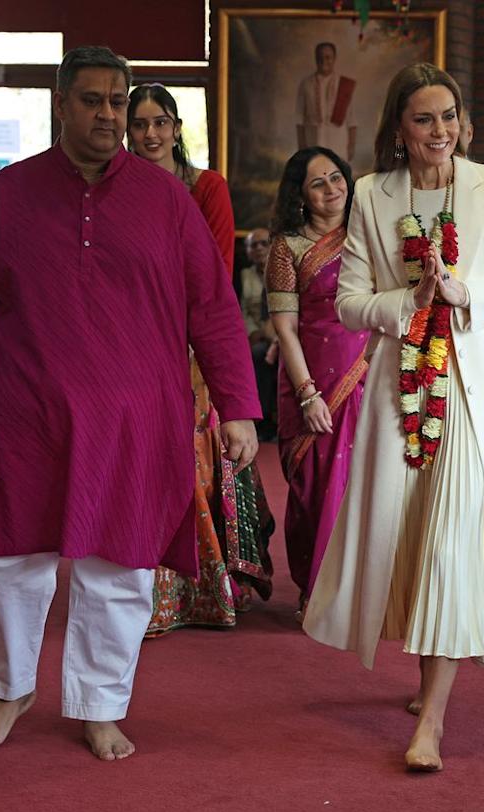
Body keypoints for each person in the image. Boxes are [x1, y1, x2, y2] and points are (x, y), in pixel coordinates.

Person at [0, 46, 259, 760]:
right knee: (3, 561)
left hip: (133, 418)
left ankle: (100, 705)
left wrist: (238, 406)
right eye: (93, 100)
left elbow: (213, 308)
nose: (108, 114)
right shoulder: (9, 192)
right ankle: (11, 690)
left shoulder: (166, 201)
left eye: (118, 101)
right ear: (60, 104)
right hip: (19, 411)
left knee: (118, 566)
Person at [301, 63, 484, 771]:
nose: (440, 132)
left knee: (450, 548)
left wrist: (463, 293)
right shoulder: (373, 196)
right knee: (403, 539)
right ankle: (424, 681)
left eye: (449, 118)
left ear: (464, 124)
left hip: (467, 394)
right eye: (423, 120)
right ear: (399, 132)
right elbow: (348, 303)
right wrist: (407, 302)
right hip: (395, 391)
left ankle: (431, 721)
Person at [127, 83, 274, 636]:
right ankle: (147, 588)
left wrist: (189, 337)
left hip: (190, 339)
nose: (149, 134)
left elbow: (212, 268)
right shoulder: (117, 186)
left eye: (159, 122)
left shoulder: (205, 186)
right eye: (139, 124)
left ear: (176, 127)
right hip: (133, 339)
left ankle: (207, 585)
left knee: (198, 456)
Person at [267, 146, 368, 611]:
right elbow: (285, 328)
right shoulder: (288, 247)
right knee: (316, 486)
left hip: (366, 373)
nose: (333, 188)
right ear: (301, 197)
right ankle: (321, 594)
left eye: (336, 177)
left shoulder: (368, 235)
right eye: (318, 183)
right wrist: (308, 394)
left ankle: (360, 592)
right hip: (311, 382)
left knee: (363, 483)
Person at [240, 227, 279, 441]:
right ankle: (260, 420)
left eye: (264, 242)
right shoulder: (243, 276)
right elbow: (241, 309)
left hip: (282, 334)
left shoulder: (281, 271)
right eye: (253, 245)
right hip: (255, 334)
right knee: (257, 354)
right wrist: (253, 332)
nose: (260, 248)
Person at [295, 41, 356, 161]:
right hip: (313, 143)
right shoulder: (306, 84)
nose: (324, 61)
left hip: (338, 144)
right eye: (320, 57)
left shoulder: (343, 85)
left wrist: (351, 146)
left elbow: (352, 120)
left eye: (328, 57)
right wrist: (302, 146)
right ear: (315, 58)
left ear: (334, 59)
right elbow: (299, 119)